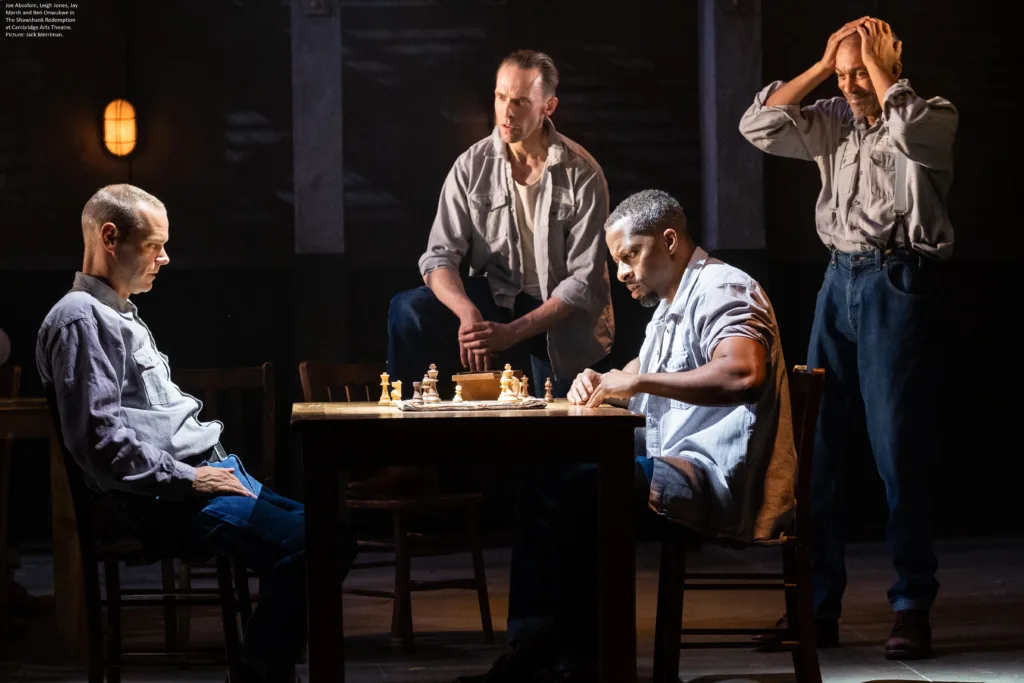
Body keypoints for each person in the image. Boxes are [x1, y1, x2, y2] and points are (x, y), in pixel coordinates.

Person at [456, 190, 796, 683]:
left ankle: (584, 663)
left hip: (716, 476)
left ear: (671, 241)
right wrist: (603, 381)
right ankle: (540, 643)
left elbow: (743, 373)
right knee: (549, 472)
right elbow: (639, 372)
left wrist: (634, 382)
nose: (622, 273)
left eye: (630, 256)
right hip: (677, 460)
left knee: (586, 488)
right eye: (617, 262)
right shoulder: (672, 305)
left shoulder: (724, 287)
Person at [36, 184, 356, 683]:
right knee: (315, 545)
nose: (165, 257)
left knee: (333, 536)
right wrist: (188, 479)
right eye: (153, 245)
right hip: (165, 500)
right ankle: (259, 673)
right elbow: (98, 441)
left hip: (202, 481)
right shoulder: (80, 319)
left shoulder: (118, 313)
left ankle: (260, 667)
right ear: (110, 237)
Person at [739, 17, 956, 659]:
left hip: (897, 281)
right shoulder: (831, 116)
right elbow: (759, 126)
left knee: (897, 452)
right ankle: (816, 610)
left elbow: (911, 128)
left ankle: (912, 605)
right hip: (837, 282)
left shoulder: (929, 113)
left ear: (891, 61)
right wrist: (825, 59)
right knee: (817, 452)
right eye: (844, 75)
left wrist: (877, 64)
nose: (852, 85)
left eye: (861, 73)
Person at [388, 49, 614, 403]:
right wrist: (468, 314)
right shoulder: (470, 166)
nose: (507, 112)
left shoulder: (582, 174)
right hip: (496, 297)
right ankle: (407, 435)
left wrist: (512, 333)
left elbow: (583, 282)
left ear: (548, 107)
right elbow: (438, 258)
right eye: (501, 97)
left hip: (556, 314)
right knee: (408, 309)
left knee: (559, 439)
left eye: (522, 101)